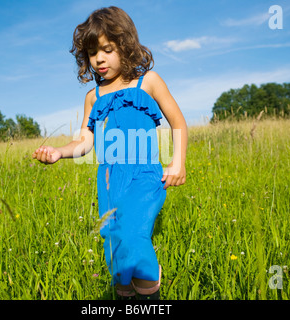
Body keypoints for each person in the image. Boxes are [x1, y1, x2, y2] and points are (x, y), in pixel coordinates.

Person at [32, 6, 187, 300]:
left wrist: (177, 161)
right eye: (92, 53)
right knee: (113, 242)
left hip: (144, 174)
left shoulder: (149, 82)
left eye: (107, 49)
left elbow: (178, 121)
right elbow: (84, 142)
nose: (99, 59)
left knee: (134, 234)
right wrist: (58, 153)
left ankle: (150, 294)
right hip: (108, 180)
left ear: (125, 46)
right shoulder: (94, 96)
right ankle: (124, 295)